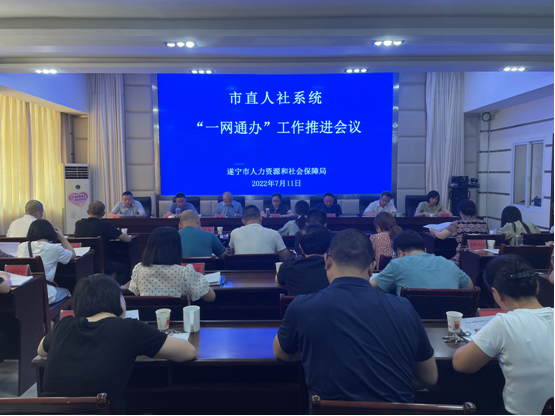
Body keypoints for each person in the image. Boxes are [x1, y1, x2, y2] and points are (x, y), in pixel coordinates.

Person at [274, 229, 438, 403]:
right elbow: (429, 378)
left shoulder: (302, 306)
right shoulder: (405, 308)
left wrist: (313, 350)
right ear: (372, 267)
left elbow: (282, 353)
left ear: (327, 261)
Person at [38, 274, 197, 414]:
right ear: (118, 300)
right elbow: (188, 352)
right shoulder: (129, 328)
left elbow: (41, 351)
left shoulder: (64, 325)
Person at [453, 255, 554, 415]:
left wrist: (481, 337)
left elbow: (461, 364)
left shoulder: (504, 323)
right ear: (537, 287)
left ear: (496, 294)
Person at [126, 227, 216, 302]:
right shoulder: (184, 272)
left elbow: (134, 291)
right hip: (179, 318)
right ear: (176, 248)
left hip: (147, 318)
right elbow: (211, 297)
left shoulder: (139, 269)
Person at [371, 230, 473, 295]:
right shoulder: (449, 263)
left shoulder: (397, 264)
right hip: (448, 320)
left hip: (410, 320)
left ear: (400, 253)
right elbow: (470, 287)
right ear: (425, 250)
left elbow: (371, 287)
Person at [17, 219, 74, 304]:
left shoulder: (22, 246)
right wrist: (62, 237)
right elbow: (72, 255)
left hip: (25, 291)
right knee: (67, 291)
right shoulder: (54, 248)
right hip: (45, 293)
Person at [74, 201, 132, 285]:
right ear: (104, 213)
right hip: (102, 264)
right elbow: (127, 239)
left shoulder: (79, 224)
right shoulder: (106, 226)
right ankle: (119, 289)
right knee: (125, 265)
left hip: (83, 263)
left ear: (88, 212)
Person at [276, 224, 332, 296]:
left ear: (301, 248)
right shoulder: (335, 266)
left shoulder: (288, 266)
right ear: (328, 248)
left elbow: (278, 284)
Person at [431, 200, 488, 267]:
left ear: (461, 212)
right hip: (481, 261)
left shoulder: (457, 223)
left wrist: (434, 231)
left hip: (462, 260)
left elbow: (441, 236)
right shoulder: (484, 223)